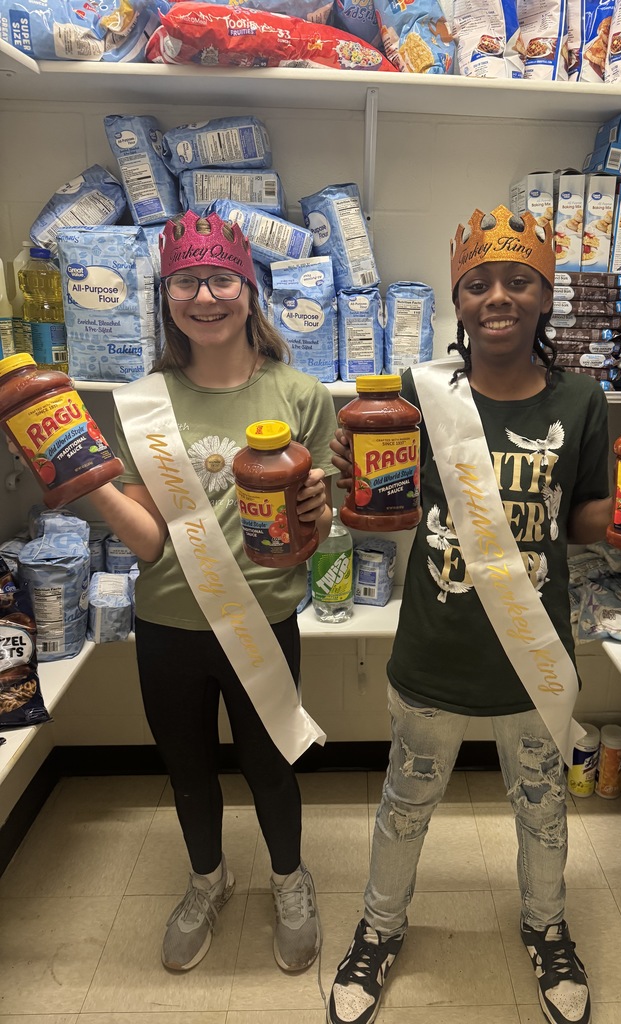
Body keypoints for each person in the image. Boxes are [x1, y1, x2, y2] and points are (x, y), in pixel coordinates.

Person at [327, 205, 615, 1024]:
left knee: (544, 807)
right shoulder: (419, 398)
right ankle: (380, 931)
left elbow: (585, 517)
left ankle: (546, 926)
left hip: (535, 655)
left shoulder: (584, 400)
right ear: (458, 301)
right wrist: (353, 478)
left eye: (519, 280)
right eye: (479, 282)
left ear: (545, 298)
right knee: (404, 803)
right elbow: (378, 514)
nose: (499, 295)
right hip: (437, 648)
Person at [86, 211, 337, 974]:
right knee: (187, 765)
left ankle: (290, 881)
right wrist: (88, 483)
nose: (205, 296)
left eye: (220, 278)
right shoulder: (143, 402)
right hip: (168, 621)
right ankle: (207, 880)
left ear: (248, 288)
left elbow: (312, 538)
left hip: (260, 619)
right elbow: (153, 541)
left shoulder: (301, 394)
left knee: (270, 766)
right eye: (186, 282)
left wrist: (318, 519)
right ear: (166, 296)